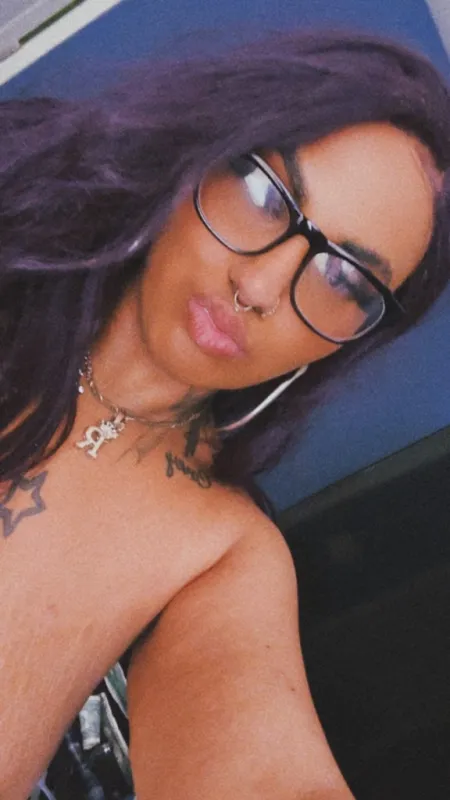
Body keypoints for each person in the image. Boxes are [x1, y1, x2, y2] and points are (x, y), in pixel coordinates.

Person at [1, 28, 449, 800]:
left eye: (343, 280)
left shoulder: (223, 557)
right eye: (268, 196)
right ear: (201, 150)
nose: (262, 288)